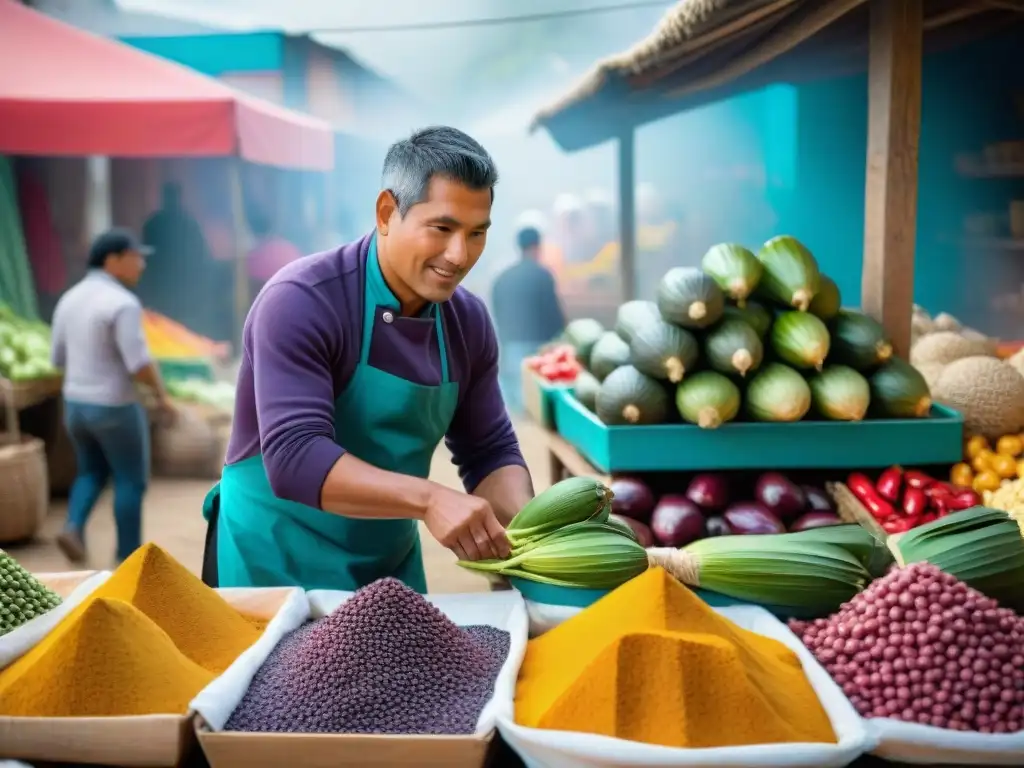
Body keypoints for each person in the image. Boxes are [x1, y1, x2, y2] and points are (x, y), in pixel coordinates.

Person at [201, 126, 535, 593]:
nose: (459, 256)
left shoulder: (469, 322)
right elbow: (295, 457)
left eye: (476, 234)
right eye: (441, 228)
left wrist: (537, 531)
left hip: (384, 571)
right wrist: (429, 500)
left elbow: (489, 450)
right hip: (270, 564)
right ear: (386, 212)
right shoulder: (301, 301)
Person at [49, 228, 176, 565]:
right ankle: (128, 559)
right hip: (115, 406)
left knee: (89, 471)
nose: (141, 266)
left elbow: (57, 358)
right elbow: (139, 364)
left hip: (75, 405)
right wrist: (162, 397)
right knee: (130, 480)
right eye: (136, 258)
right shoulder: (122, 302)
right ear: (114, 260)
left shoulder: (69, 298)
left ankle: (73, 526)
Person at [490, 226, 567, 414]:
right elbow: (554, 314)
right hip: (540, 349)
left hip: (512, 348)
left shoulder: (503, 278)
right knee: (537, 408)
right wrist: (561, 339)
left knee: (516, 408)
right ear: (537, 246)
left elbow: (497, 311)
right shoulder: (542, 275)